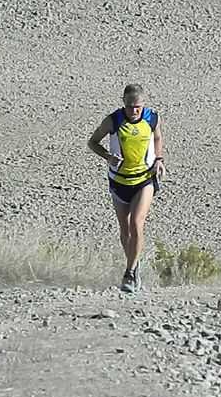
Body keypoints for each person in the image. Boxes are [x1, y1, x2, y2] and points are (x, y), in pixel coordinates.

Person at [87, 84, 165, 293]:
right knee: (125, 229)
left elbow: (157, 137)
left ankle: (129, 273)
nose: (134, 111)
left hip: (144, 180)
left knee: (136, 224)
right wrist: (108, 157)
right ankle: (134, 261)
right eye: (130, 107)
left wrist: (159, 159)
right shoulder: (113, 120)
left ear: (143, 104)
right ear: (123, 103)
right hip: (119, 181)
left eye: (137, 107)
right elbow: (92, 142)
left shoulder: (152, 118)